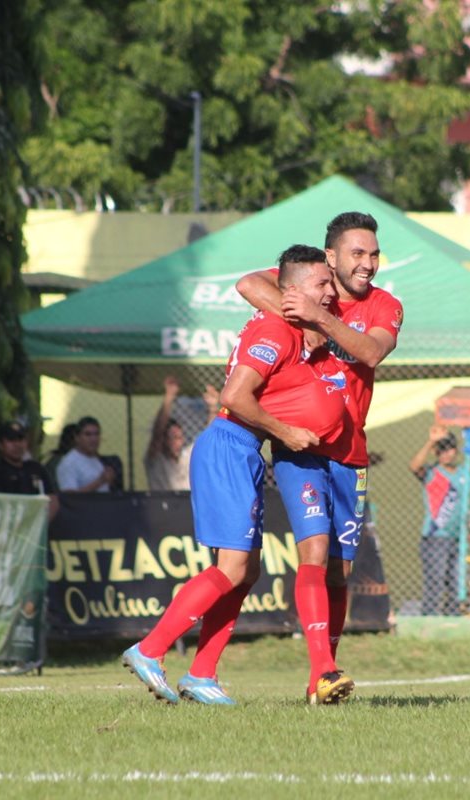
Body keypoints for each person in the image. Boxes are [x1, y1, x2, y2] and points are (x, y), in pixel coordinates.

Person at [122, 246, 349, 706]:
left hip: (244, 451)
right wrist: (288, 432)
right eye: (322, 283)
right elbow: (235, 395)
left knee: (246, 573)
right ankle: (150, 649)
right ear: (292, 290)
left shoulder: (291, 329)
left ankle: (202, 674)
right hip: (228, 446)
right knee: (232, 568)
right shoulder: (274, 329)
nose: (330, 291)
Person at [236, 211, 403, 704]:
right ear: (330, 257)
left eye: (374, 253)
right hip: (301, 446)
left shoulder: (384, 305)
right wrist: (300, 309)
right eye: (358, 253)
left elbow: (371, 354)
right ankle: (325, 670)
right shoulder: (311, 282)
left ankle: (318, 682)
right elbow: (248, 283)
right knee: (313, 551)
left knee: (340, 571)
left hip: (351, 454)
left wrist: (318, 321)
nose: (369, 263)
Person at [409, 425, 470, 616]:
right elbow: (414, 466)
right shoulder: (432, 472)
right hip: (435, 537)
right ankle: (430, 617)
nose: (445, 454)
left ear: (455, 450)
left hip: (459, 538)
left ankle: (452, 615)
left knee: (456, 580)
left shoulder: (465, 474)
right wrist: (431, 441)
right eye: (441, 451)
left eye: (448, 449)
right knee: (435, 580)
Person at [144, 376, 220, 491]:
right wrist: (169, 396)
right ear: (164, 440)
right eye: (173, 437)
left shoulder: (186, 457)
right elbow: (157, 433)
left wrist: (213, 407)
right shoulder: (157, 460)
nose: (178, 442)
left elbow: (207, 438)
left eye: (180, 437)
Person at [0, 420, 60, 519]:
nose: (17, 445)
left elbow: (52, 499)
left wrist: (40, 522)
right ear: (0, 445)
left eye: (21, 439)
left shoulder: (36, 469)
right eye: (11, 440)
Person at [55, 416, 115, 493]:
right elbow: (70, 498)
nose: (93, 439)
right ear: (77, 437)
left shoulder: (95, 459)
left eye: (96, 434)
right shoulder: (69, 463)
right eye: (88, 434)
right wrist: (100, 481)